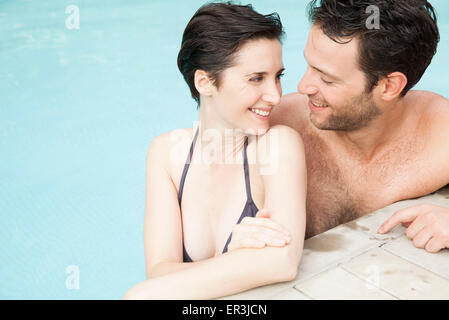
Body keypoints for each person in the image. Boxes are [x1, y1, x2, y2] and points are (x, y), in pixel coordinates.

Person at [123, 2, 307, 299]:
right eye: (256, 78)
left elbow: (282, 262)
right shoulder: (166, 155)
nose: (275, 96)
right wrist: (235, 257)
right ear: (205, 82)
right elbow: (157, 272)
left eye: (278, 76)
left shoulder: (277, 146)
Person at [268, 0, 449, 253]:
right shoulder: (277, 127)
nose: (303, 86)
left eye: (327, 79)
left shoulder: (440, 133)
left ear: (388, 86)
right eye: (309, 66)